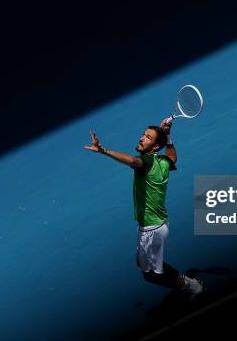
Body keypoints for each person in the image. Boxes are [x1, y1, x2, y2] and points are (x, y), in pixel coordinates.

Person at [83, 117, 205, 299]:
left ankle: (192, 286)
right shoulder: (163, 162)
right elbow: (173, 157)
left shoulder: (145, 163)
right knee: (144, 267)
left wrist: (104, 150)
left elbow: (132, 161)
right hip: (155, 224)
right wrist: (168, 137)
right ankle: (184, 282)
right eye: (143, 134)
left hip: (152, 229)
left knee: (153, 275)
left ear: (155, 147)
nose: (142, 138)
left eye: (148, 137)